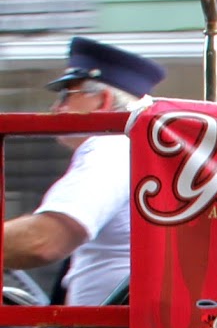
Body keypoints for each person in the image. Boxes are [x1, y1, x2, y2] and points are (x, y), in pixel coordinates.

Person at [2, 37, 166, 307]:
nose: (56, 109)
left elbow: (43, 240)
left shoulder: (110, 147)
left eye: (67, 94)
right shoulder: (132, 149)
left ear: (103, 101)